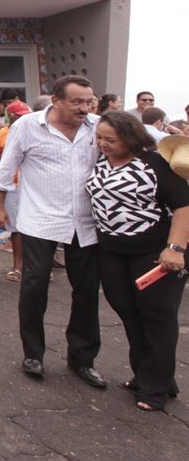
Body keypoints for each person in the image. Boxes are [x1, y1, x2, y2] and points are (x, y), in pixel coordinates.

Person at [0, 75, 105, 387]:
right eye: (77, 102)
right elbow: (6, 166)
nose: (84, 108)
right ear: (56, 101)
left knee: (86, 290)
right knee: (34, 284)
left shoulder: (98, 127)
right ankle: (33, 353)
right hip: (39, 218)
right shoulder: (27, 126)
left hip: (86, 221)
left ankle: (82, 358)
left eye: (88, 101)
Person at [87, 115, 189, 411]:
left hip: (156, 252)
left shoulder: (156, 164)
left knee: (157, 315)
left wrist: (175, 248)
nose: (103, 144)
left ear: (131, 138)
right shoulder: (101, 162)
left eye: (111, 140)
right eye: (100, 138)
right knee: (127, 310)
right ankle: (152, 373)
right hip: (112, 250)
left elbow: (184, 206)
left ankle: (154, 389)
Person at [0, 101, 31, 281]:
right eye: (20, 115)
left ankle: (39, 266)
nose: (24, 119)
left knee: (36, 228)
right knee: (16, 228)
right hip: (11, 187)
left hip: (32, 187)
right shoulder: (0, 135)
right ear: (10, 116)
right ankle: (18, 267)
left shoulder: (34, 134)